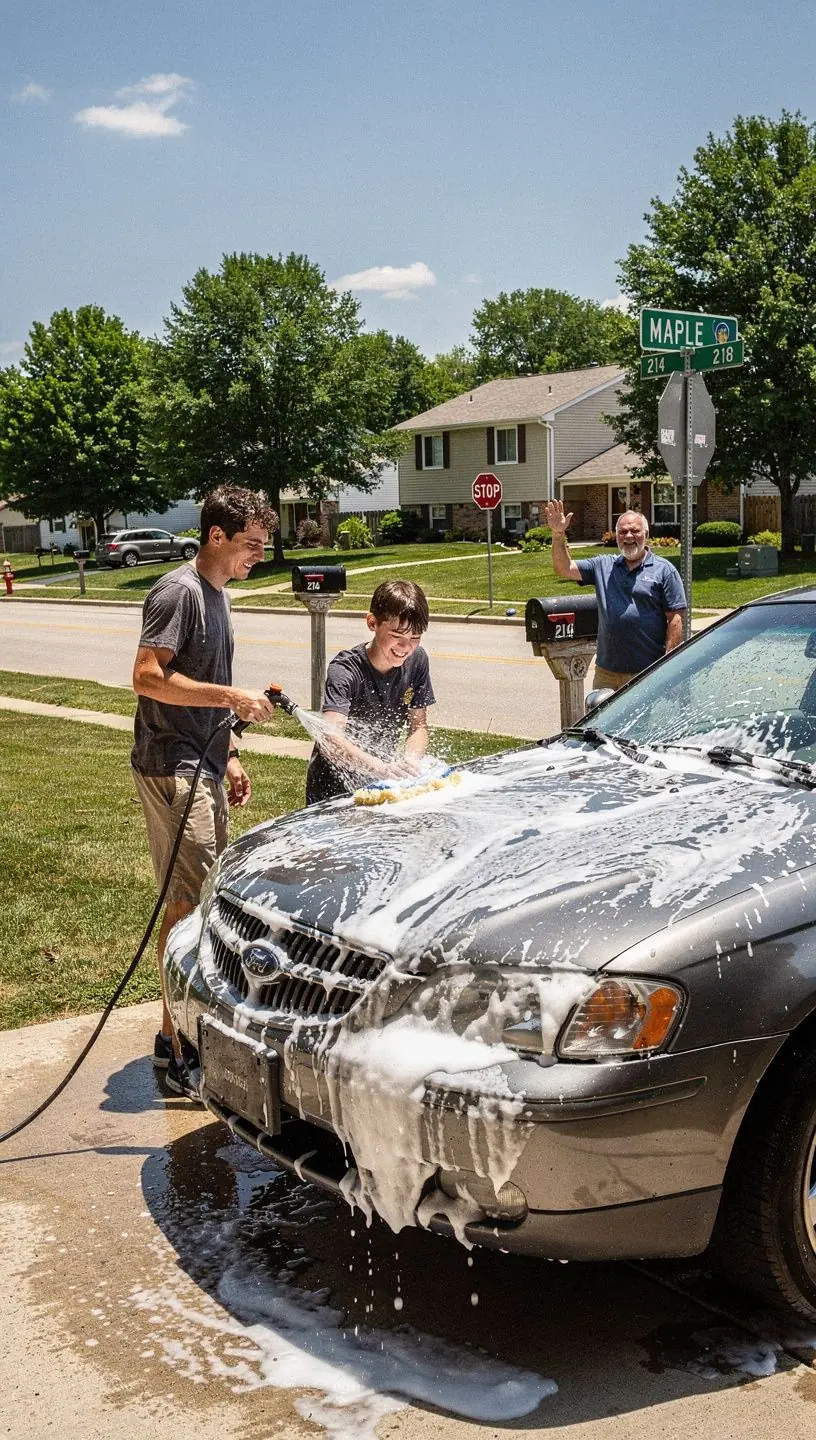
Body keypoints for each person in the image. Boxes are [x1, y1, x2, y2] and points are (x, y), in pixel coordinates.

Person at [132, 485, 280, 1097]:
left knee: (207, 898)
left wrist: (232, 753)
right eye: (251, 544)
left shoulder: (217, 596)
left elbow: (205, 684)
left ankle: (184, 1034)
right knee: (189, 905)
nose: (259, 555)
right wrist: (232, 697)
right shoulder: (180, 592)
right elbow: (147, 677)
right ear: (216, 536)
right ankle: (176, 1047)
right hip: (173, 764)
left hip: (205, 763)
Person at [305, 580, 436, 804]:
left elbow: (418, 725)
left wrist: (411, 762)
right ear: (372, 623)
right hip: (331, 793)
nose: (406, 647)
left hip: (378, 786)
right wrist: (381, 769)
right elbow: (330, 739)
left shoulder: (418, 660)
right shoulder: (345, 670)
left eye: (415, 637)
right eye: (397, 635)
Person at [544, 500, 686, 691]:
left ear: (646, 534)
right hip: (607, 673)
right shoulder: (602, 565)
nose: (629, 536)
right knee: (599, 711)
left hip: (647, 670)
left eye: (635, 531)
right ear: (616, 536)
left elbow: (676, 618)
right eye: (622, 532)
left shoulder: (664, 570)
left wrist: (668, 661)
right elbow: (564, 568)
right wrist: (557, 534)